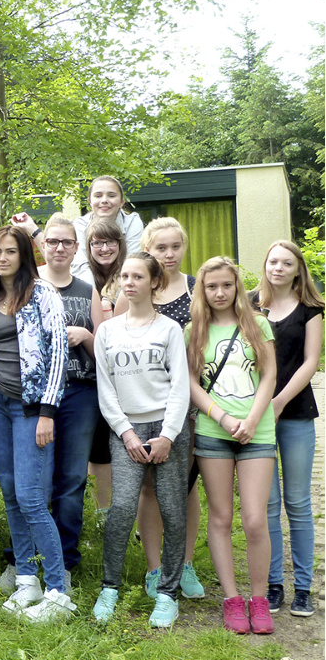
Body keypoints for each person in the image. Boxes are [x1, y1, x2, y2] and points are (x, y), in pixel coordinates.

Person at [0, 225, 73, 623]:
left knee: (32, 498)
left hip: (30, 409)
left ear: (24, 254)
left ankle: (58, 589)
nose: (2, 258)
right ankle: (27, 579)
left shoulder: (43, 295)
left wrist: (47, 411)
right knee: (9, 495)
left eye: (10, 251)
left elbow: (57, 355)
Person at [91, 253, 191, 628]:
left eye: (137, 276)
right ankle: (110, 588)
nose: (129, 283)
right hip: (126, 432)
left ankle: (167, 593)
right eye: (124, 277)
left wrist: (167, 435)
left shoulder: (168, 330)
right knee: (121, 508)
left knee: (171, 509)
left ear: (154, 283)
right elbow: (106, 390)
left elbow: (180, 387)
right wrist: (127, 433)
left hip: (167, 431)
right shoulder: (107, 331)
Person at [115, 217, 206, 602]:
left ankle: (182, 564)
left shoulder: (197, 288)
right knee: (148, 490)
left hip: (192, 403)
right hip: (143, 409)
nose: (168, 255)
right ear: (147, 250)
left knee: (185, 488)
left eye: (175, 247)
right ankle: (155, 569)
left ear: (183, 247)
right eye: (160, 248)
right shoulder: (132, 289)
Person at [186, 257, 277, 635]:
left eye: (226, 285)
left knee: (255, 519)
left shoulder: (257, 324)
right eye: (211, 287)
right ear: (202, 291)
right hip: (213, 431)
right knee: (221, 518)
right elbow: (190, 383)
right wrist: (222, 418)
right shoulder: (194, 330)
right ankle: (232, 600)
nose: (219, 293)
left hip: (257, 431)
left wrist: (253, 419)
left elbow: (270, 373)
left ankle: (259, 599)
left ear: (237, 287)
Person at [251, 240, 323, 617]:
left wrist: (279, 402)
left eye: (286, 263)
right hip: (254, 415)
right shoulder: (248, 304)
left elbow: (311, 361)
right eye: (272, 261)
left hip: (294, 413)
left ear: (298, 270)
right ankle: (274, 585)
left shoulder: (310, 309)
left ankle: (304, 588)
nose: (277, 268)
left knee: (297, 502)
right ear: (264, 265)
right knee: (267, 504)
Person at [33, 214, 102, 583]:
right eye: (53, 241)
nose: (59, 248)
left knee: (72, 480)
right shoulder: (28, 284)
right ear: (42, 245)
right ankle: (27, 560)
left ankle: (67, 560)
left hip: (79, 392)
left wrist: (85, 335)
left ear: (76, 249)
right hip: (35, 394)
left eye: (67, 242)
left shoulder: (87, 289)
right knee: (35, 480)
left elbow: (103, 348)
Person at [82, 217, 128, 513]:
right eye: (96, 242)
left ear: (120, 245)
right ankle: (100, 514)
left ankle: (130, 513)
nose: (104, 248)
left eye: (110, 241)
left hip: (125, 374)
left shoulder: (129, 276)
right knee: (96, 448)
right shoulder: (81, 279)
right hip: (89, 375)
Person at [70, 176, 142, 280]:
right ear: (90, 201)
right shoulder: (80, 225)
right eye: (98, 196)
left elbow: (132, 265)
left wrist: (113, 295)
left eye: (111, 196)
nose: (104, 200)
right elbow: (81, 266)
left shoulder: (132, 222)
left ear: (122, 202)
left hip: (124, 286)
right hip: (89, 285)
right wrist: (91, 295)